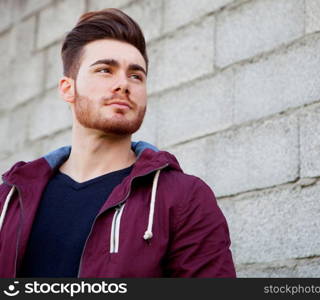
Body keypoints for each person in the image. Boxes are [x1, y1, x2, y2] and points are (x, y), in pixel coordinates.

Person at [0, 8, 236, 278]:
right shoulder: (9, 199)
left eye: (136, 75)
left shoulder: (183, 198)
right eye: (105, 70)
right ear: (68, 88)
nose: (123, 84)